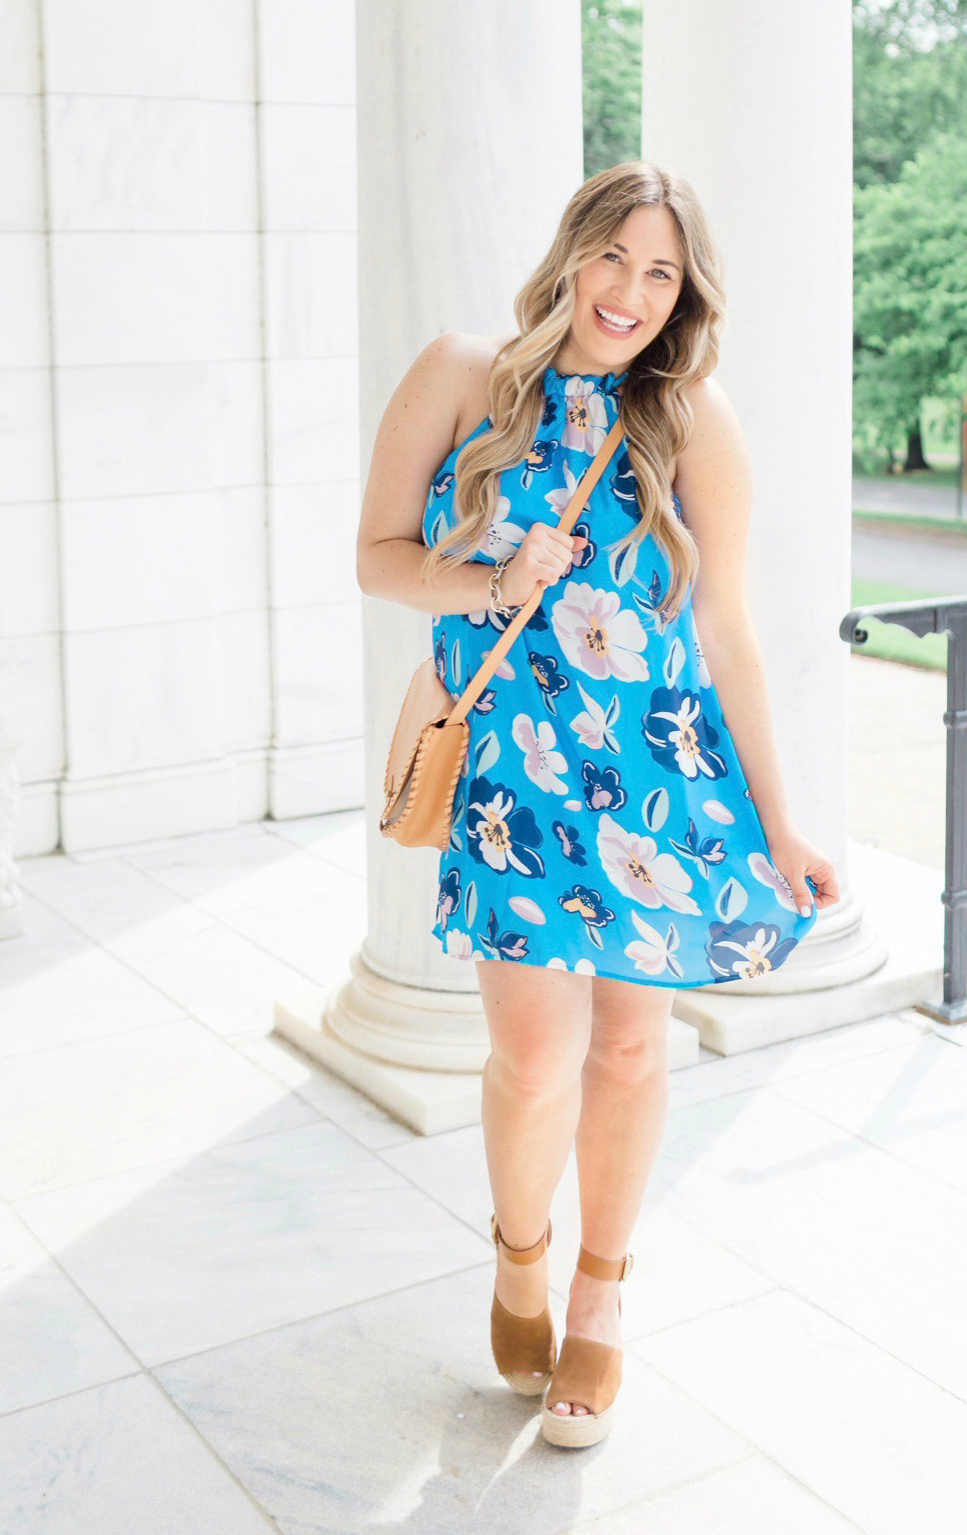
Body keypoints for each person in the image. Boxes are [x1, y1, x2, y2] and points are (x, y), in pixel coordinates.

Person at [355, 159, 840, 1448]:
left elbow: (732, 635)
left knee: (631, 1047)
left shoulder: (693, 421)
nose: (630, 291)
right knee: (528, 1056)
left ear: (684, 296)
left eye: (660, 272)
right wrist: (491, 579)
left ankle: (602, 1294)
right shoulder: (463, 375)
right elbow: (378, 558)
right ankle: (521, 1256)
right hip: (516, 785)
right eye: (614, 258)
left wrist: (782, 820)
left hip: (657, 779)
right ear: (572, 254)